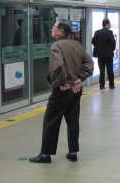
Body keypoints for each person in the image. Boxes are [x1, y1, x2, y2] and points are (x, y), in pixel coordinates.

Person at [30, 20, 93, 163]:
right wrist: (80, 79)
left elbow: (58, 64)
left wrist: (62, 82)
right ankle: (72, 152)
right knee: (72, 120)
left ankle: (45, 154)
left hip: (62, 89)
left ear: (61, 31)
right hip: (76, 89)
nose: (52, 28)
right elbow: (89, 63)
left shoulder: (56, 46)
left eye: (54, 27)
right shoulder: (77, 45)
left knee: (50, 120)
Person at [91, 18, 116, 90]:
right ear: (106, 24)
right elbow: (113, 43)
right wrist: (111, 49)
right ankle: (111, 85)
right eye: (109, 24)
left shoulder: (97, 32)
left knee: (101, 71)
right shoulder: (110, 32)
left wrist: (99, 47)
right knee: (110, 70)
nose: (110, 25)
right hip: (108, 55)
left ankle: (101, 85)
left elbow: (93, 41)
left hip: (100, 55)